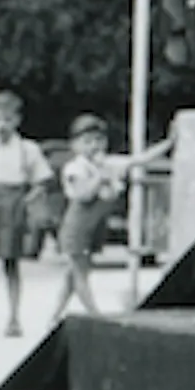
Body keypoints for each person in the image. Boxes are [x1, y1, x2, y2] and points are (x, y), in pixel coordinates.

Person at [47, 116, 168, 321]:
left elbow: (139, 159)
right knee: (79, 272)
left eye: (98, 140)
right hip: (76, 226)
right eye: (87, 141)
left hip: (94, 226)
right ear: (74, 145)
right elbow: (83, 195)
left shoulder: (109, 163)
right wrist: (100, 176)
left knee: (75, 273)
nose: (94, 146)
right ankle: (94, 314)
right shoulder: (75, 168)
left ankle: (54, 315)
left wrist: (169, 142)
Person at [0, 91, 50, 335]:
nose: (2, 126)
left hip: (13, 204)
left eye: (7, 120)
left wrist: (30, 197)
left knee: (11, 263)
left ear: (17, 121)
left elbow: (42, 180)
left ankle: (13, 318)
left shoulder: (27, 149)